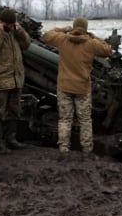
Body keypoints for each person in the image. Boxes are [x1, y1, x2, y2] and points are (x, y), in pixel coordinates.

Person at [42, 17, 112, 161]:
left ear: (73, 27)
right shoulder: (91, 43)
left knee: (65, 120)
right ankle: (87, 152)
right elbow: (107, 50)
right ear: (85, 28)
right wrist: (93, 36)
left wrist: (62, 29)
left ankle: (64, 151)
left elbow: (46, 35)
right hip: (82, 88)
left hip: (64, 86)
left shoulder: (62, 39)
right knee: (85, 120)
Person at [0, 8, 31, 154]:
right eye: (9, 24)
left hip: (14, 79)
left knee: (14, 111)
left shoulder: (13, 31)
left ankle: (11, 139)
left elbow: (26, 44)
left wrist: (19, 29)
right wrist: (0, 31)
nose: (11, 26)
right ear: (1, 22)